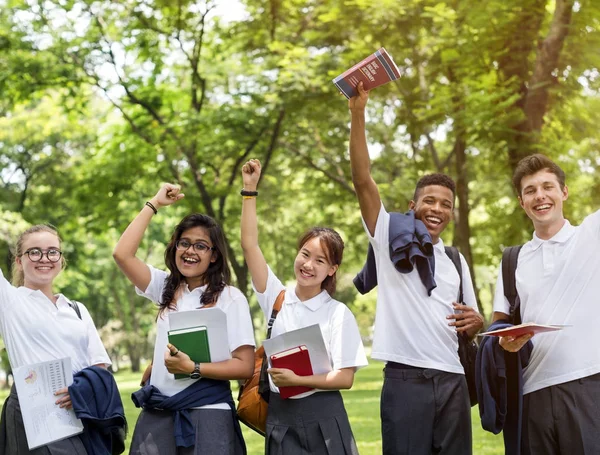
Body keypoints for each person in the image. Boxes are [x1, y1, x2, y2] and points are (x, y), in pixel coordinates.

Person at [348, 81, 483, 454]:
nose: (437, 209)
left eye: (445, 204)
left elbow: (472, 320)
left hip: (454, 380)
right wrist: (357, 112)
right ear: (413, 204)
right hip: (406, 380)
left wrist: (477, 323)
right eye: (429, 201)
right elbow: (362, 180)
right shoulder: (390, 233)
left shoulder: (456, 260)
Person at [113, 184, 255, 455]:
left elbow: (245, 366)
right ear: (175, 246)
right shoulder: (164, 286)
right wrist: (154, 203)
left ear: (214, 256)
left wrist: (193, 367)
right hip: (159, 414)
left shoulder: (230, 298)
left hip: (208, 415)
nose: (190, 251)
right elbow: (122, 254)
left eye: (201, 246)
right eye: (184, 243)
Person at [240, 159, 368, 454]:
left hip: (325, 416)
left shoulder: (338, 313)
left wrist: (298, 380)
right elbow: (250, 245)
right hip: (281, 418)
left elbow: (345, 378)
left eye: (320, 260)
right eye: (305, 254)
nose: (308, 265)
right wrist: (249, 190)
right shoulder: (277, 297)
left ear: (332, 269)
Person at [491, 154, 600, 454]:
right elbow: (499, 320)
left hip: (587, 386)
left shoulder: (592, 236)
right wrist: (504, 339)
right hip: (532, 393)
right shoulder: (513, 260)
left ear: (564, 192)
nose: (540, 195)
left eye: (548, 186)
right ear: (521, 202)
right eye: (530, 190)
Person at [0, 224, 120, 454]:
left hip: (82, 411)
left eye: (52, 251)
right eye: (34, 252)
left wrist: (81, 392)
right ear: (18, 261)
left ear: (61, 259)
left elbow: (99, 364)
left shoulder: (77, 309)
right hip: (38, 416)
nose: (44, 258)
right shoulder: (10, 301)